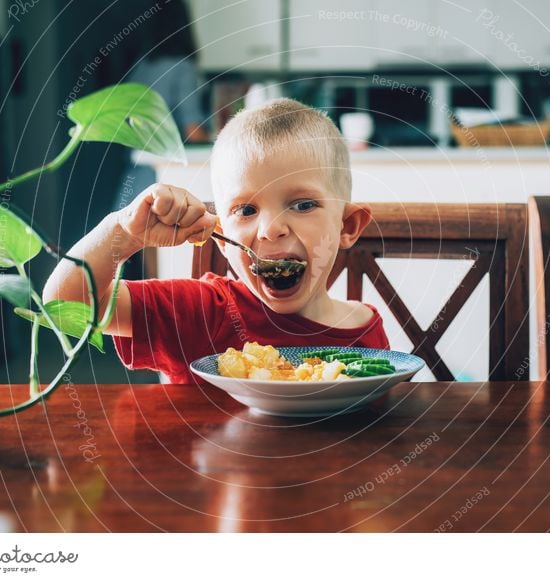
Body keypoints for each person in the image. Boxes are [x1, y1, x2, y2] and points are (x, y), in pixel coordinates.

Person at [43, 98, 389, 383]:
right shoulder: (200, 311)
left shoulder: (365, 333)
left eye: (302, 205)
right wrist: (125, 232)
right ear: (222, 240)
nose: (271, 229)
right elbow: (63, 303)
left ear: (347, 226)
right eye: (247, 209)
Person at [113, 0, 208, 278]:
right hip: (165, 175)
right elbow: (194, 131)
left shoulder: (142, 67)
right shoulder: (183, 67)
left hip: (134, 172)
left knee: (143, 255)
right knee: (166, 255)